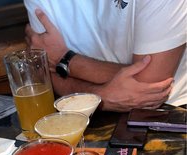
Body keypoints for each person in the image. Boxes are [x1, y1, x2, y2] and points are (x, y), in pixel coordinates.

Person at [24, 0, 186, 111]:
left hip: (168, 111)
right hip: (79, 111)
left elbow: (148, 85)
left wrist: (64, 60)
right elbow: (47, 73)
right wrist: (99, 97)